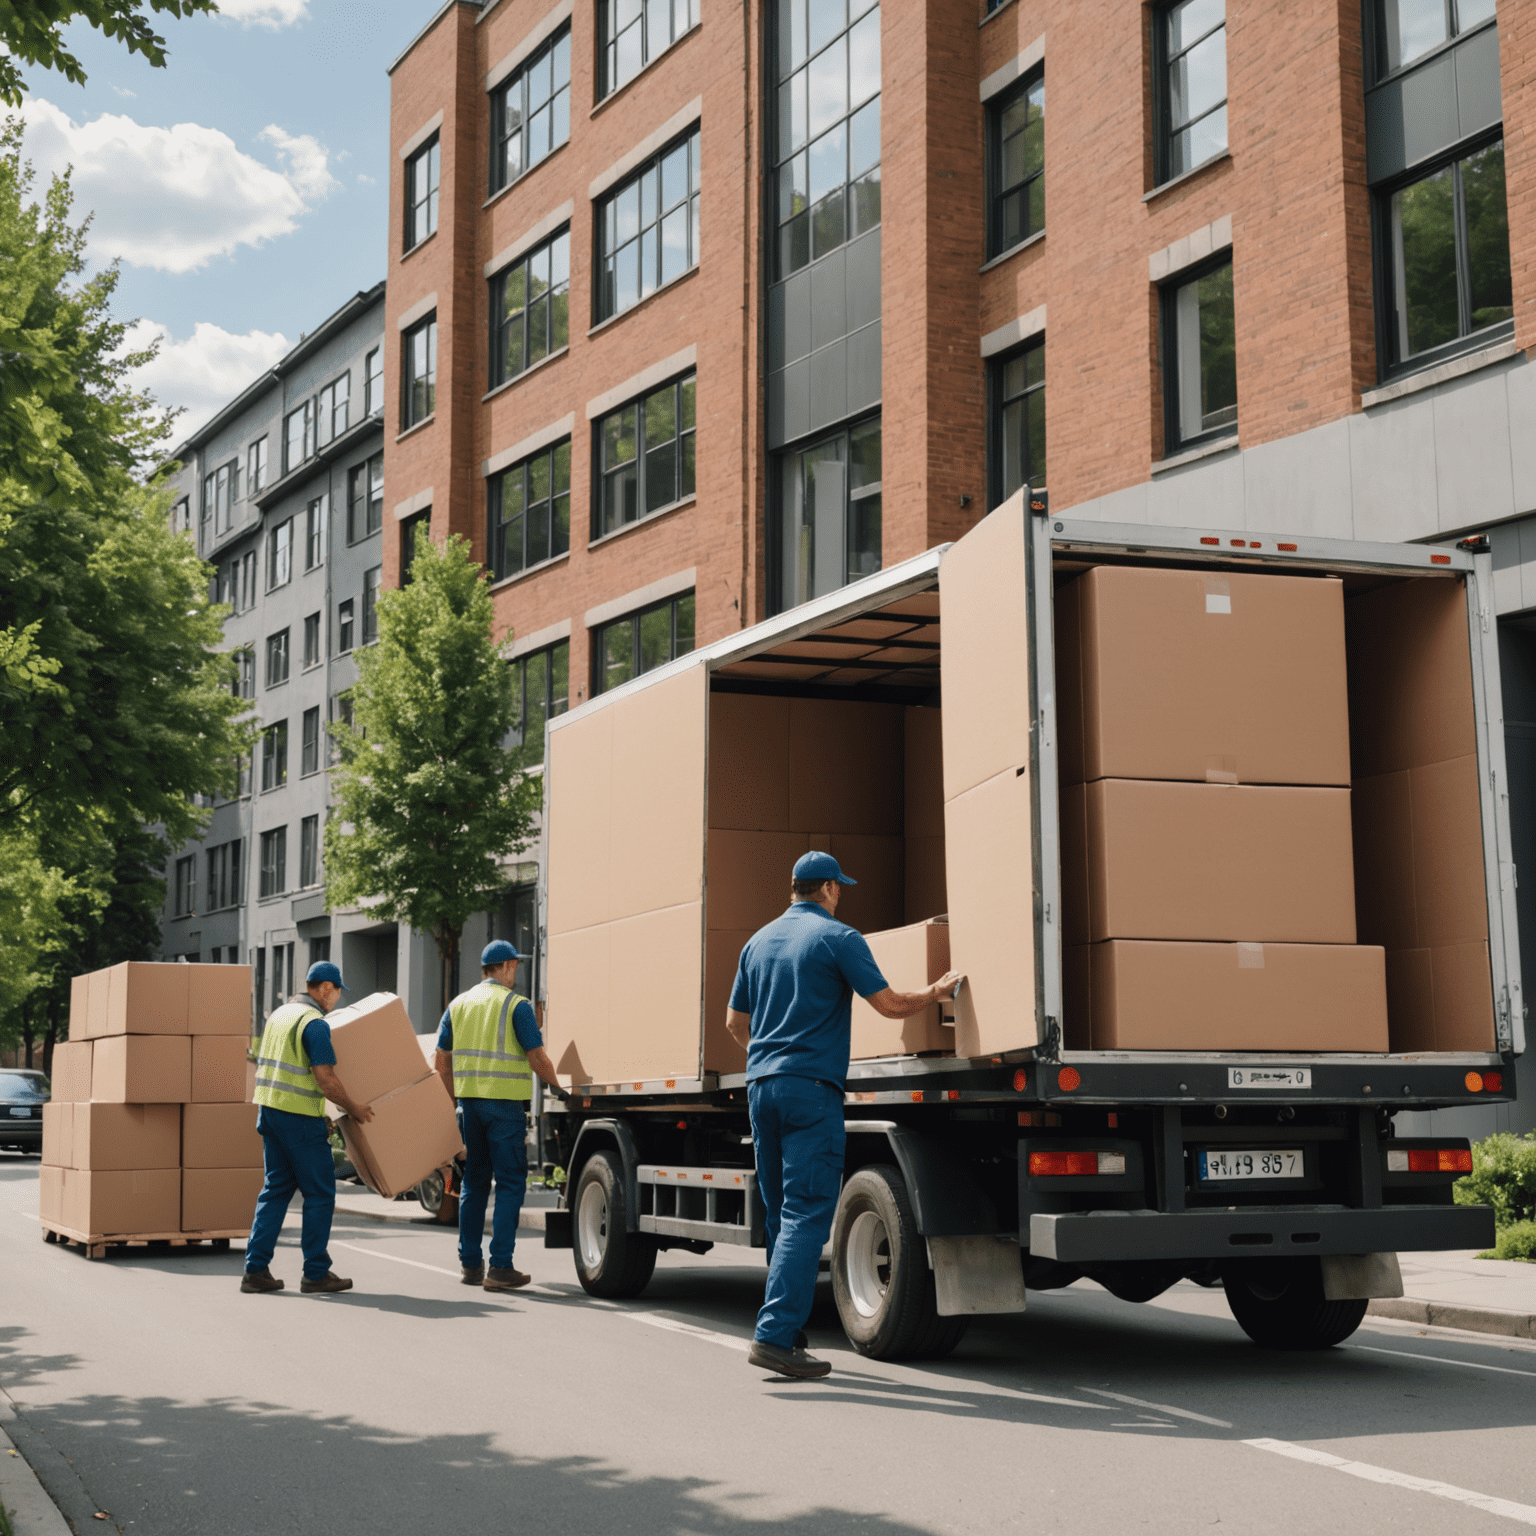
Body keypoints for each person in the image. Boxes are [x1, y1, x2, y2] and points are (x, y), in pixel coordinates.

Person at [726, 851, 962, 1380]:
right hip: (811, 1089)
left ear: (794, 888)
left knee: (784, 1214)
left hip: (761, 1087)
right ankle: (773, 1336)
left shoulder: (757, 942)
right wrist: (935, 992)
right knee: (808, 1212)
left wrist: (768, 1056)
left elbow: (733, 1022)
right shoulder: (839, 938)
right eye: (841, 887)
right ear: (829, 888)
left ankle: (784, 1327)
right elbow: (889, 1004)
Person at [435, 940, 567, 1292]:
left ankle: (470, 1265)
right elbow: (538, 1058)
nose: (516, 975)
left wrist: (452, 1105)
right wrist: (559, 1087)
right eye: (515, 968)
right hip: (505, 1109)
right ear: (506, 967)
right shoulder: (516, 1006)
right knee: (509, 1183)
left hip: (469, 1108)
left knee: (474, 1183)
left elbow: (441, 1062)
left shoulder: (458, 1005)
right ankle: (501, 1267)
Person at [243, 960, 375, 1295]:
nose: (337, 1001)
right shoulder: (314, 1023)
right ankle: (316, 1272)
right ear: (326, 988)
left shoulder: (280, 1015)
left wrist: (322, 1113)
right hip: (299, 1120)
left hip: (270, 1113)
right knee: (319, 1193)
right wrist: (354, 1109)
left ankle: (255, 1270)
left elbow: (286, 1070)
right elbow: (326, 1079)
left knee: (275, 1190)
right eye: (337, 993)